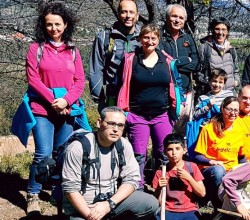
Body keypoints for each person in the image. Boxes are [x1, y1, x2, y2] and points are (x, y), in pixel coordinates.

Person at [24, 2, 85, 214]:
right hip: (42, 109)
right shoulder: (36, 49)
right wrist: (54, 101)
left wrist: (66, 101)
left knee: (62, 153)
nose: (54, 28)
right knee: (43, 153)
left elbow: (80, 82)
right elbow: (33, 79)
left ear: (65, 24)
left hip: (67, 110)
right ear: (44, 26)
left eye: (58, 24)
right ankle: (33, 193)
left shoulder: (73, 51)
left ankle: (59, 194)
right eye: (49, 24)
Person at [62, 106, 158, 219]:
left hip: (111, 202)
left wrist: (110, 204)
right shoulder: (78, 147)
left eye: (121, 125)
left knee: (150, 203)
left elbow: (132, 179)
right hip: (83, 207)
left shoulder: (123, 145)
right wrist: (91, 216)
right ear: (99, 123)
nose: (116, 129)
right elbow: (70, 189)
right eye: (111, 123)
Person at [117, 23, 179, 187]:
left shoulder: (166, 61)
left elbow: (175, 84)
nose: (149, 41)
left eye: (153, 38)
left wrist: (177, 107)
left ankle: (161, 188)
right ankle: (137, 187)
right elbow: (120, 84)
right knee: (138, 155)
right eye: (146, 37)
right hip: (138, 115)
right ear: (140, 39)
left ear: (158, 40)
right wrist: (124, 113)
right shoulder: (131, 60)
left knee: (164, 154)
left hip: (162, 114)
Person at [89, 0, 142, 113]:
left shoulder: (144, 37)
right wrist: (100, 100)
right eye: (124, 12)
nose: (128, 16)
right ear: (118, 14)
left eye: (132, 12)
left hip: (139, 97)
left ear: (137, 16)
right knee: (115, 129)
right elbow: (96, 70)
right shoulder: (105, 37)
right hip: (113, 96)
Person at [152, 133, 205, 220]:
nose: (174, 153)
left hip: (189, 210)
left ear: (184, 150)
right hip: (168, 210)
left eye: (177, 149)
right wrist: (159, 187)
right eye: (169, 149)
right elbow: (158, 200)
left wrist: (189, 178)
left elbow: (202, 193)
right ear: (165, 152)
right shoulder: (161, 172)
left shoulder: (192, 167)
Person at [159, 4, 198, 93]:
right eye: (174, 16)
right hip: (164, 89)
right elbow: (161, 63)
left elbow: (196, 64)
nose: (177, 20)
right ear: (167, 17)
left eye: (181, 18)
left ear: (184, 20)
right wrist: (187, 59)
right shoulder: (158, 37)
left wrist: (172, 65)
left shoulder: (188, 38)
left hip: (185, 89)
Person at [198, 18, 239, 94]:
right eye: (217, 29)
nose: (220, 32)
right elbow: (198, 73)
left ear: (227, 31)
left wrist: (236, 82)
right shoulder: (204, 48)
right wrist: (209, 84)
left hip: (229, 94)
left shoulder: (231, 49)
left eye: (224, 29)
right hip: (212, 95)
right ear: (212, 30)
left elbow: (236, 70)